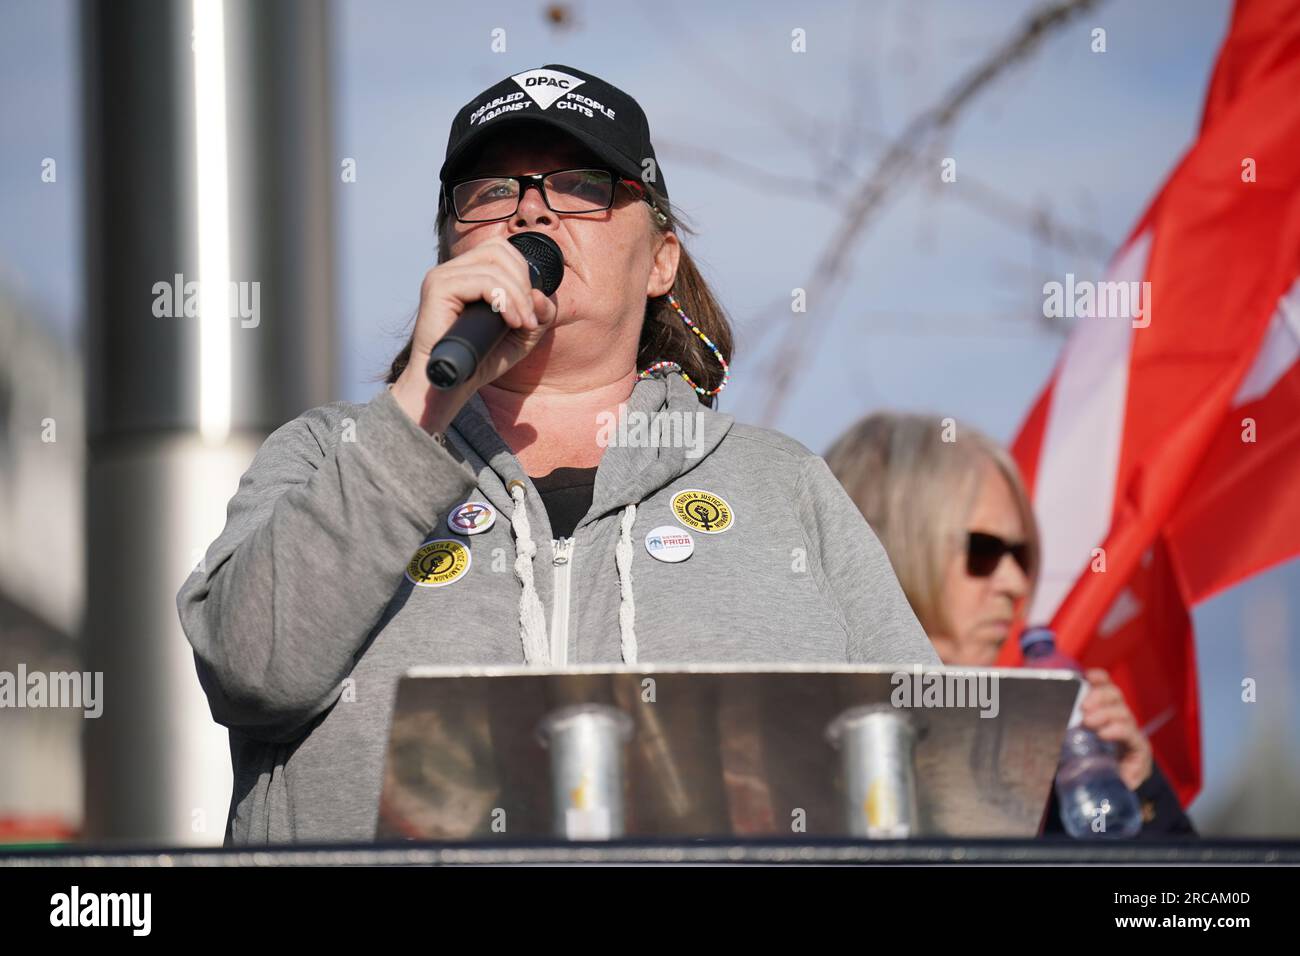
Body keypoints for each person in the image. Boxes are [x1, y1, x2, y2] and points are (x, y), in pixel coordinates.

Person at [177, 64, 939, 845]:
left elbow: (928, 775)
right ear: (449, 248)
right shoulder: (326, 453)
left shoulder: (784, 486)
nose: (530, 208)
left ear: (660, 261)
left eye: (580, 183)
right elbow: (250, 671)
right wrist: (418, 413)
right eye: (489, 191)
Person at [824, 411, 1195, 837]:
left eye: (1022, 555)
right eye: (983, 551)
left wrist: (1135, 790)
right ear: (883, 549)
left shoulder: (1041, 768)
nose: (1016, 584)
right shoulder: (767, 738)